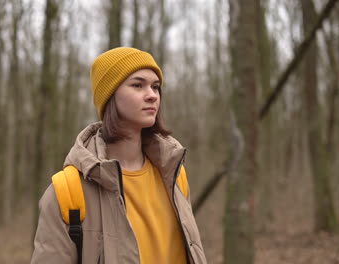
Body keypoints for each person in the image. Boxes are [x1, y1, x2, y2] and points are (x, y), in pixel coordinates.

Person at [30, 47, 207, 264]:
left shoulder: (174, 175)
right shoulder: (66, 192)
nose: (152, 95)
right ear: (110, 95)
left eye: (156, 87)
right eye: (137, 85)